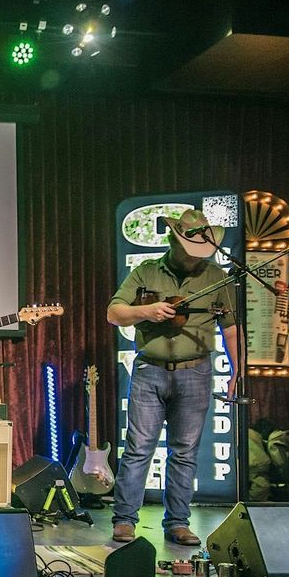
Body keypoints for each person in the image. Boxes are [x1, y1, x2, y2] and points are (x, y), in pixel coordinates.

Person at [107, 209, 239, 546]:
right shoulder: (147, 271)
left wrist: (238, 371)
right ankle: (124, 519)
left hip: (196, 371)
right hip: (150, 370)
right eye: (189, 249)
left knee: (185, 452)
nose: (196, 257)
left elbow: (231, 328)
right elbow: (114, 313)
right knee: (139, 448)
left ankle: (178, 522)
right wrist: (146, 311)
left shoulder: (216, 277)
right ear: (172, 242)